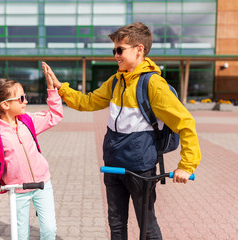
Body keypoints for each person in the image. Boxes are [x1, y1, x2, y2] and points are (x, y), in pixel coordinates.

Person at [42, 22, 201, 240]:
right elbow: (88, 101)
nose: (116, 55)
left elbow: (185, 123)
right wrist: (61, 88)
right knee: (116, 225)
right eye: (114, 50)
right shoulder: (117, 80)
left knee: (147, 226)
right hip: (113, 164)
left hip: (140, 168)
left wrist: (186, 166)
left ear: (139, 49)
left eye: (120, 50)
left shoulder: (154, 85)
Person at [0, 65, 63, 240]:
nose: (26, 101)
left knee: (49, 230)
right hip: (17, 190)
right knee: (20, 235)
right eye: (21, 98)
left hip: (42, 183)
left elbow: (55, 115)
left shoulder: (28, 121)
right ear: (6, 105)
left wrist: (51, 88)